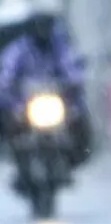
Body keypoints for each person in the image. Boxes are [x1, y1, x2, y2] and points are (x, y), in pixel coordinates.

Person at [0, 10, 92, 169]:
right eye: (39, 27)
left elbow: (71, 67)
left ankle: (78, 155)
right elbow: (7, 72)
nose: (43, 31)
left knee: (79, 115)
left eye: (46, 27)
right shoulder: (20, 49)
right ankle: (12, 153)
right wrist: (8, 86)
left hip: (56, 99)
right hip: (25, 102)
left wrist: (75, 80)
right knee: (8, 116)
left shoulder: (60, 47)